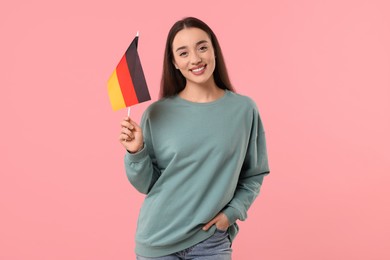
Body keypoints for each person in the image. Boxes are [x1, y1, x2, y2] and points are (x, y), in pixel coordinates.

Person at [119, 17, 270, 260]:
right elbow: (147, 185)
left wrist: (232, 213)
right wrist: (136, 152)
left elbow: (254, 174)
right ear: (175, 63)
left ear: (214, 51)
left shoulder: (243, 110)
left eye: (202, 47)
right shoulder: (156, 113)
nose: (195, 59)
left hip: (210, 241)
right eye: (183, 52)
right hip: (157, 240)